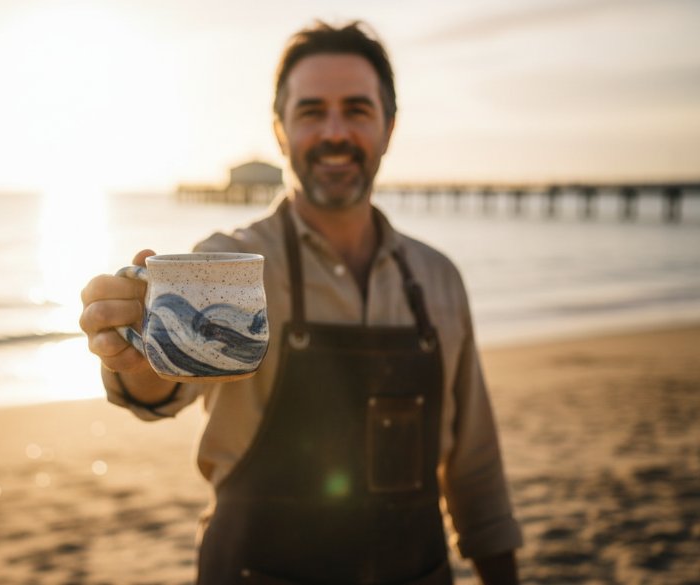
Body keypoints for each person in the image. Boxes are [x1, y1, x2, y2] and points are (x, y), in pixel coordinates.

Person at [80, 20, 522, 585]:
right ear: (281, 131)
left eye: (357, 110)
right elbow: (163, 391)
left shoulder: (438, 280)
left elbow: (475, 467)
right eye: (312, 111)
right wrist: (133, 357)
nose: (334, 132)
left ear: (389, 126)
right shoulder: (226, 266)